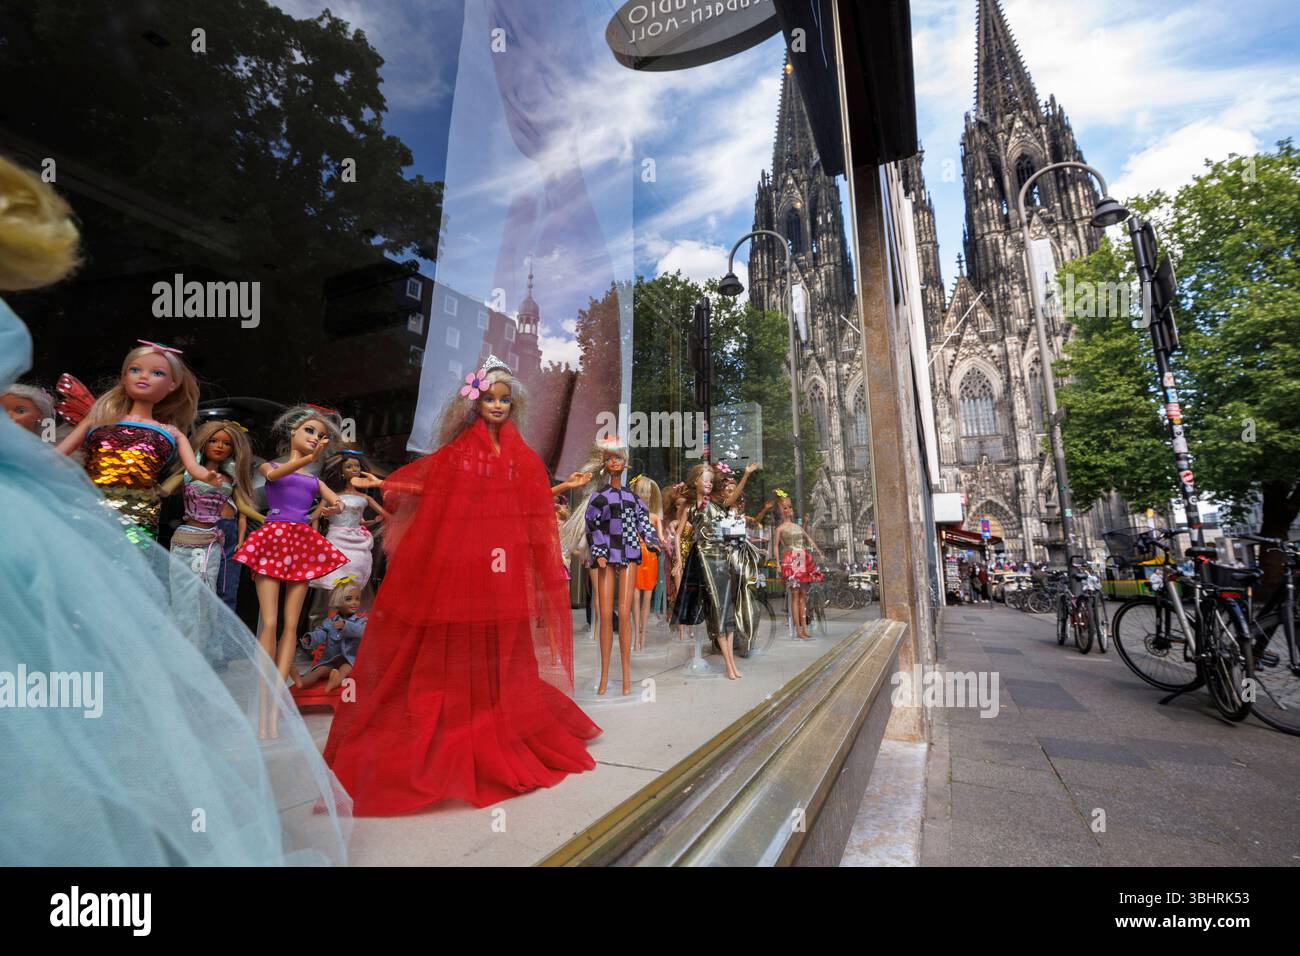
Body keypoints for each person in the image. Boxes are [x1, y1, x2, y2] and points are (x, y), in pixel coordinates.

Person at [0, 153, 349, 864]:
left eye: (158, 373)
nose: (145, 379)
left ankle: (225, 716)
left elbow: (210, 474)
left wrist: (240, 482)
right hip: (83, 518)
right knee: (91, 626)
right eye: (138, 369)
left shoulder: (170, 434)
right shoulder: (103, 420)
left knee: (144, 623)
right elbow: (61, 450)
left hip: (143, 528)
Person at [323, 357, 601, 813]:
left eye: (504, 400)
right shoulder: (460, 452)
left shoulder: (519, 455)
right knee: (454, 636)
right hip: (464, 559)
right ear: (473, 405)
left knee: (499, 640)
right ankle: (460, 714)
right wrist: (386, 482)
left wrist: (557, 491)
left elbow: (528, 495)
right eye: (489, 399)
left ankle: (494, 711)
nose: (496, 406)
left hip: (501, 561)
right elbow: (428, 484)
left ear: (513, 405)